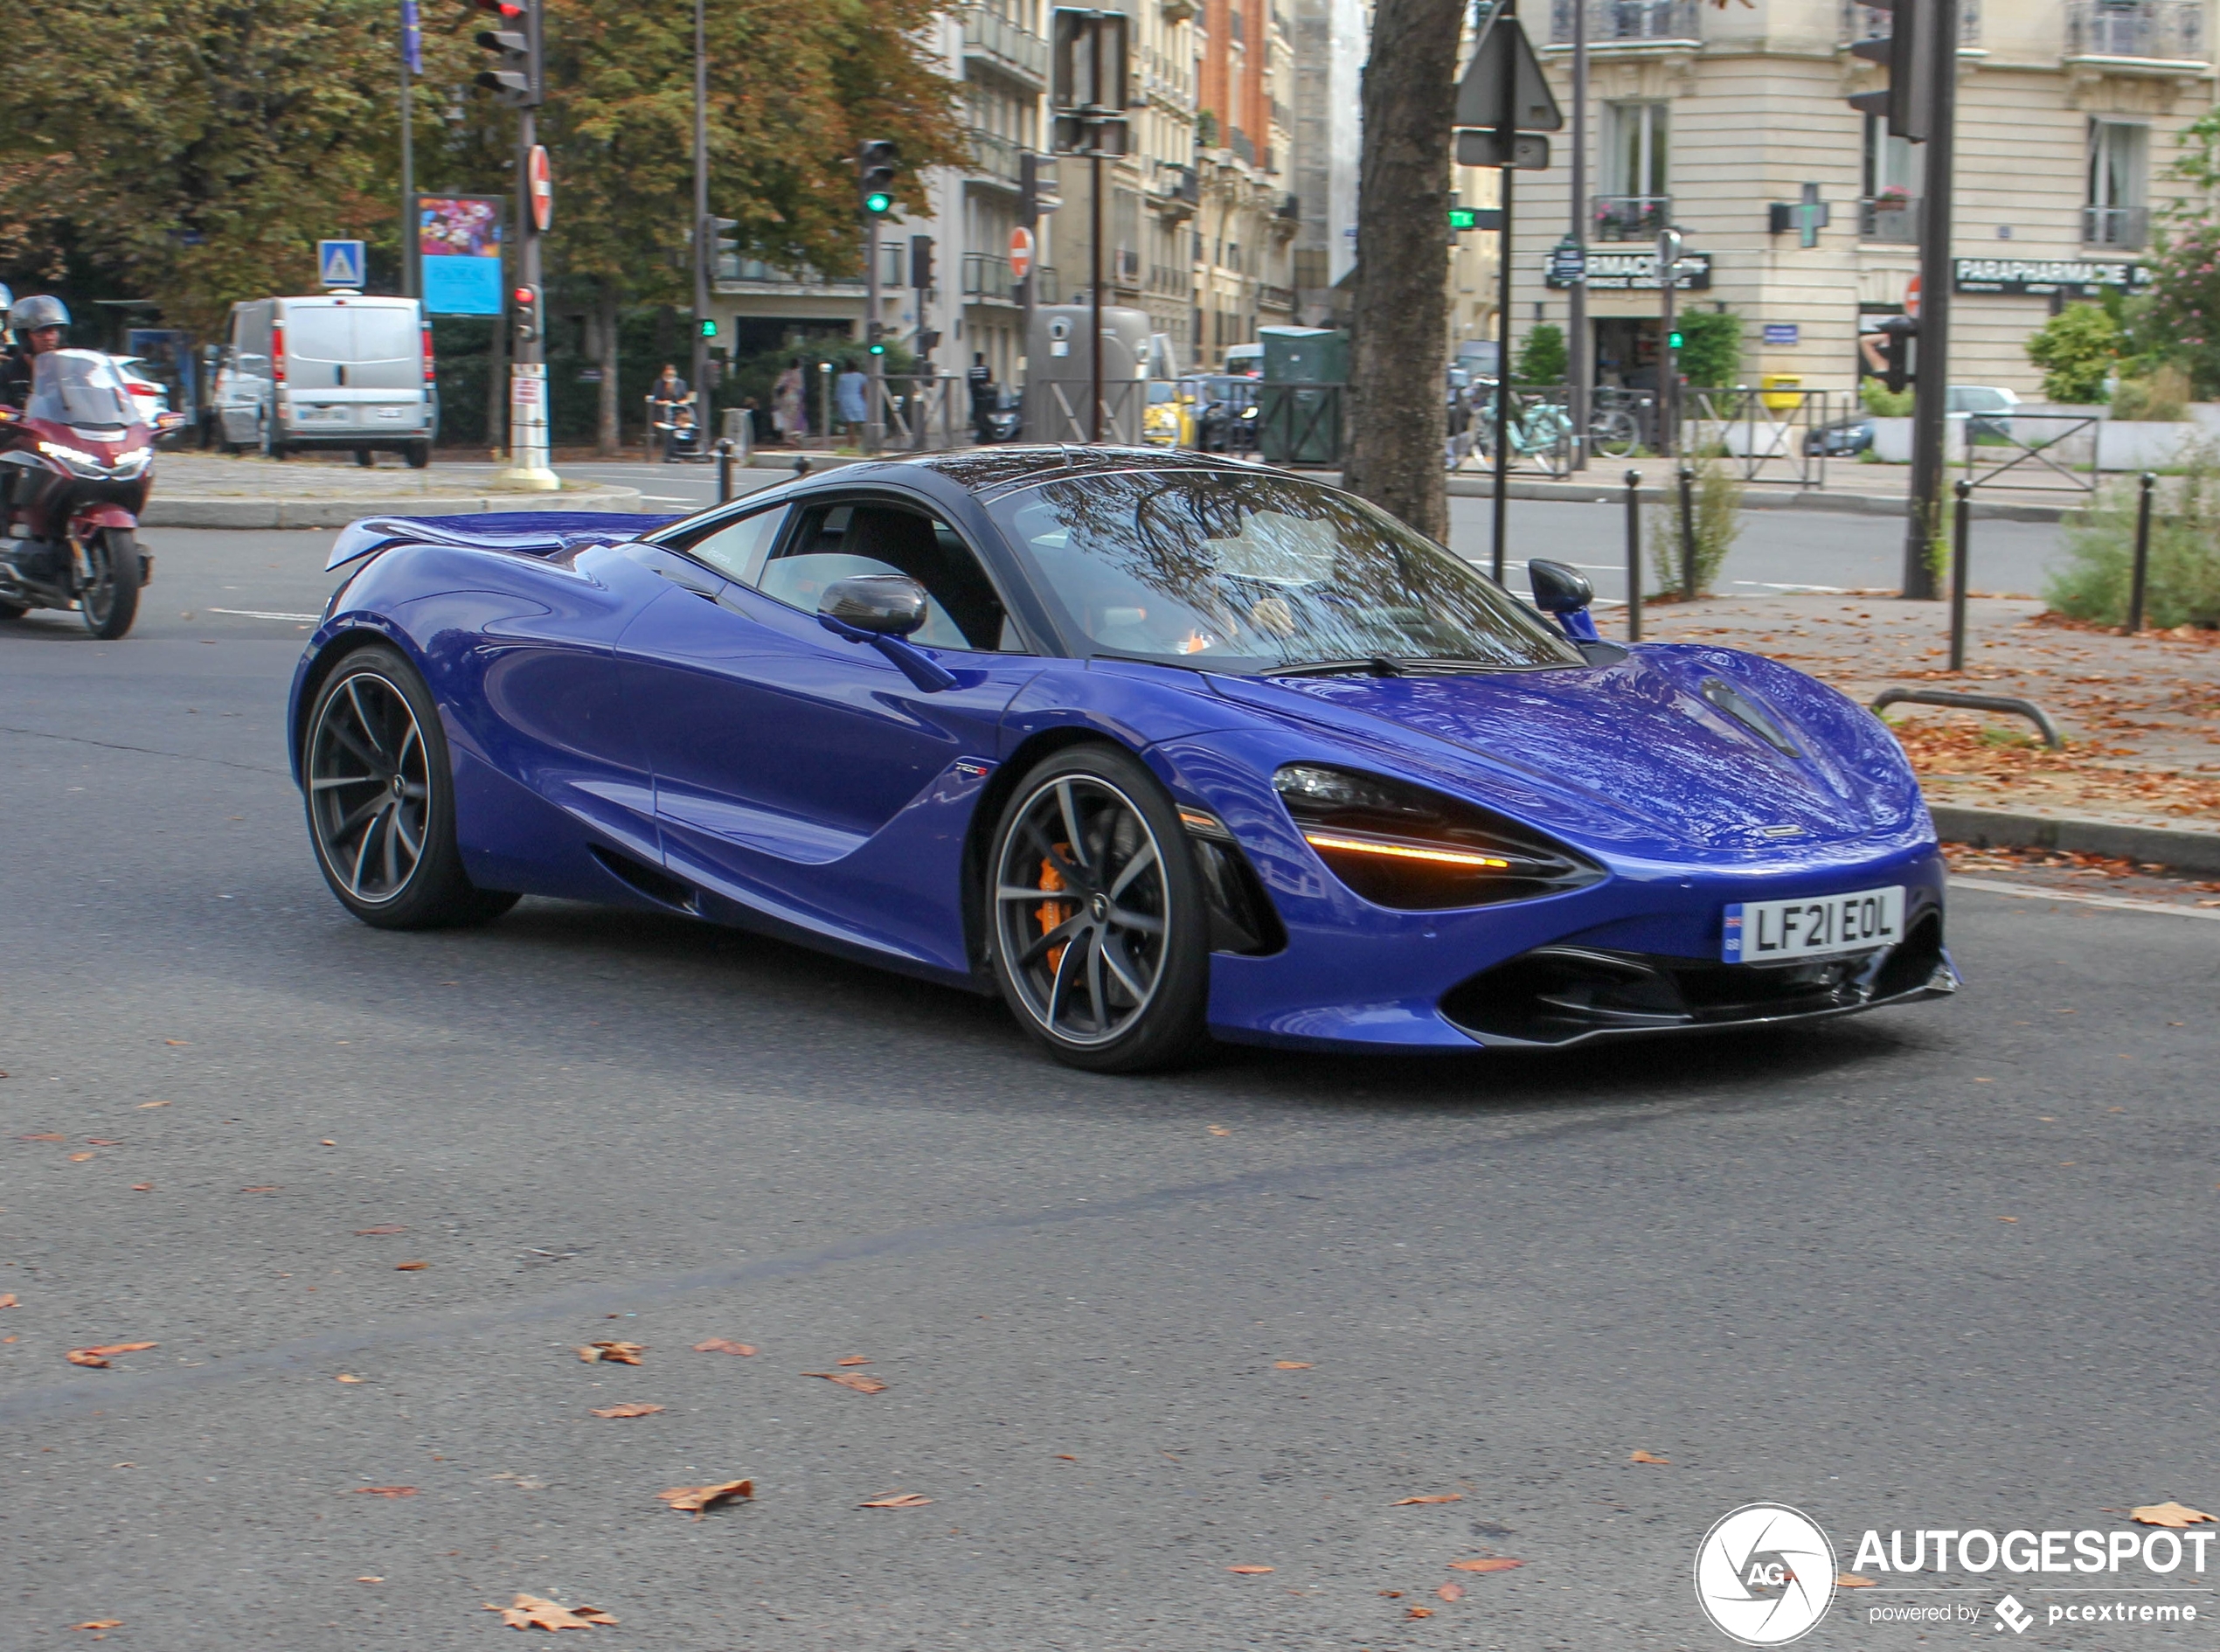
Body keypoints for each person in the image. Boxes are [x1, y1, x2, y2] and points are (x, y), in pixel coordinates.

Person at [0, 293, 68, 409]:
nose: (48, 338)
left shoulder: (68, 372)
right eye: (40, 332)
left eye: (52, 331)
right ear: (24, 336)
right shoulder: (6, 376)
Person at [772, 357, 807, 444]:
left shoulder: (786, 373)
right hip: (794, 397)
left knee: (785, 418)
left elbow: (777, 386)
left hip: (784, 397)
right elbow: (801, 388)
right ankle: (794, 437)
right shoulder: (798, 374)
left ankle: (786, 437)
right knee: (794, 418)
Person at [834, 358, 868, 442]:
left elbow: (839, 391)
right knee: (864, 421)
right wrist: (867, 401)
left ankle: (852, 443)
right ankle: (866, 441)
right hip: (857, 399)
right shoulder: (861, 376)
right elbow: (864, 390)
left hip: (845, 400)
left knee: (850, 424)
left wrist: (836, 402)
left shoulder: (842, 377)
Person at [967, 351, 995, 443]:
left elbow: (969, 382)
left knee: (975, 410)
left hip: (975, 394)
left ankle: (976, 426)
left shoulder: (971, 370)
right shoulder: (985, 369)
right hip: (984, 394)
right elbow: (989, 381)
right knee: (985, 410)